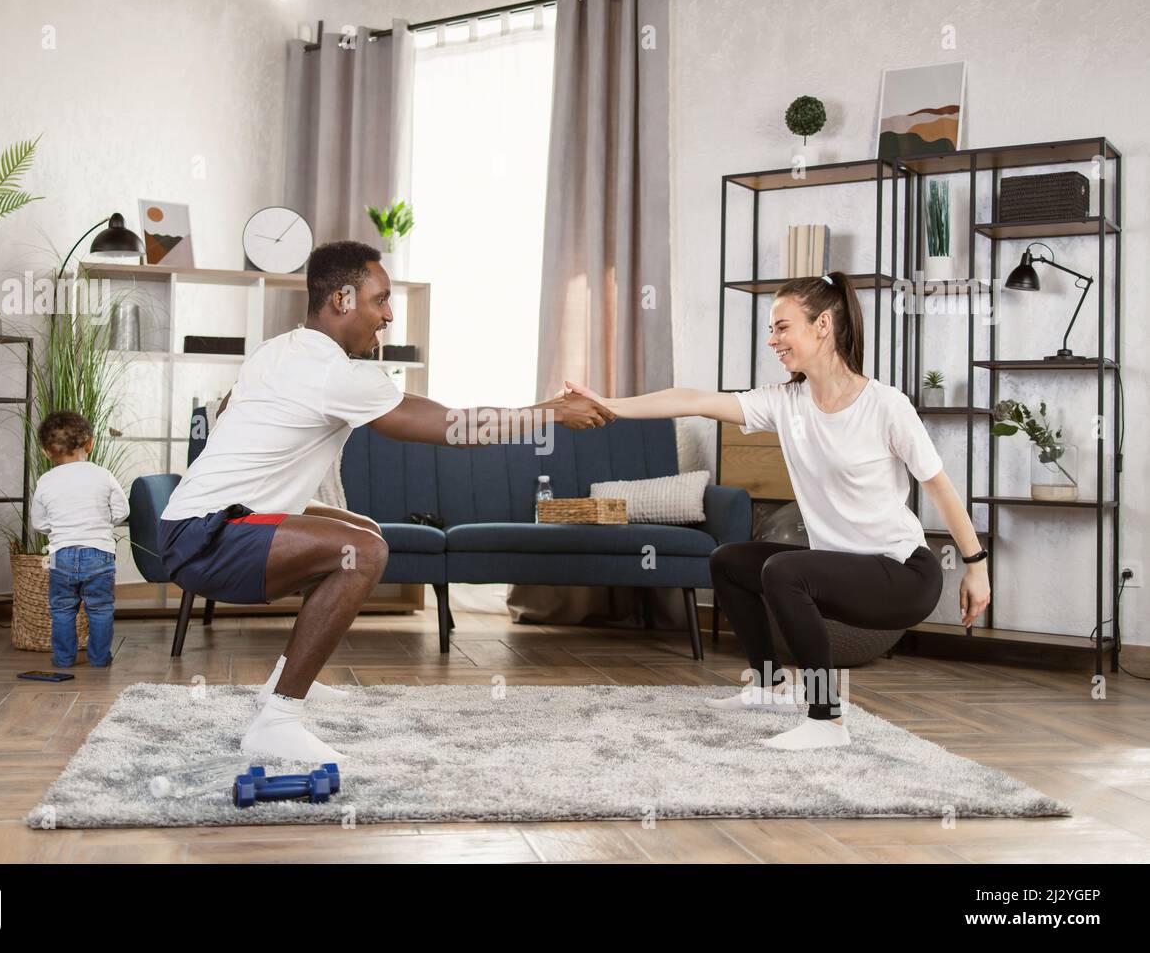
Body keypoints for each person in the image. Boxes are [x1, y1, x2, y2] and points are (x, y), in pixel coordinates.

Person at [159, 240, 614, 762]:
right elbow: (454, 427)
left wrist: (547, 406)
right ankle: (277, 719)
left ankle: (284, 682)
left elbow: (231, 407)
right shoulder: (334, 373)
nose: (389, 315)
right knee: (364, 553)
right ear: (341, 300)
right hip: (209, 535)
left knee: (364, 533)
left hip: (192, 523)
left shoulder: (281, 349)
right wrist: (552, 414)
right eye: (380, 300)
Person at [565, 271, 990, 750]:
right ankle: (768, 687)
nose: (772, 340)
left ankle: (827, 720)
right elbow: (693, 399)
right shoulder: (786, 403)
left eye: (782, 327)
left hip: (902, 575)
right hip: (842, 565)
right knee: (728, 560)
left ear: (823, 324)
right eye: (772, 329)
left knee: (785, 570)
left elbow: (941, 488)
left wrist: (975, 568)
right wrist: (607, 404)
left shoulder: (886, 406)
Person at [30, 411, 129, 668]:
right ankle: (99, 658)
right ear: (90, 443)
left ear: (45, 452)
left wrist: (60, 529)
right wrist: (103, 523)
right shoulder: (103, 475)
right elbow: (122, 512)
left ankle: (63, 659)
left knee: (62, 609)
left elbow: (39, 523)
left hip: (61, 555)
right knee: (100, 608)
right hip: (99, 554)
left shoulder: (45, 481)